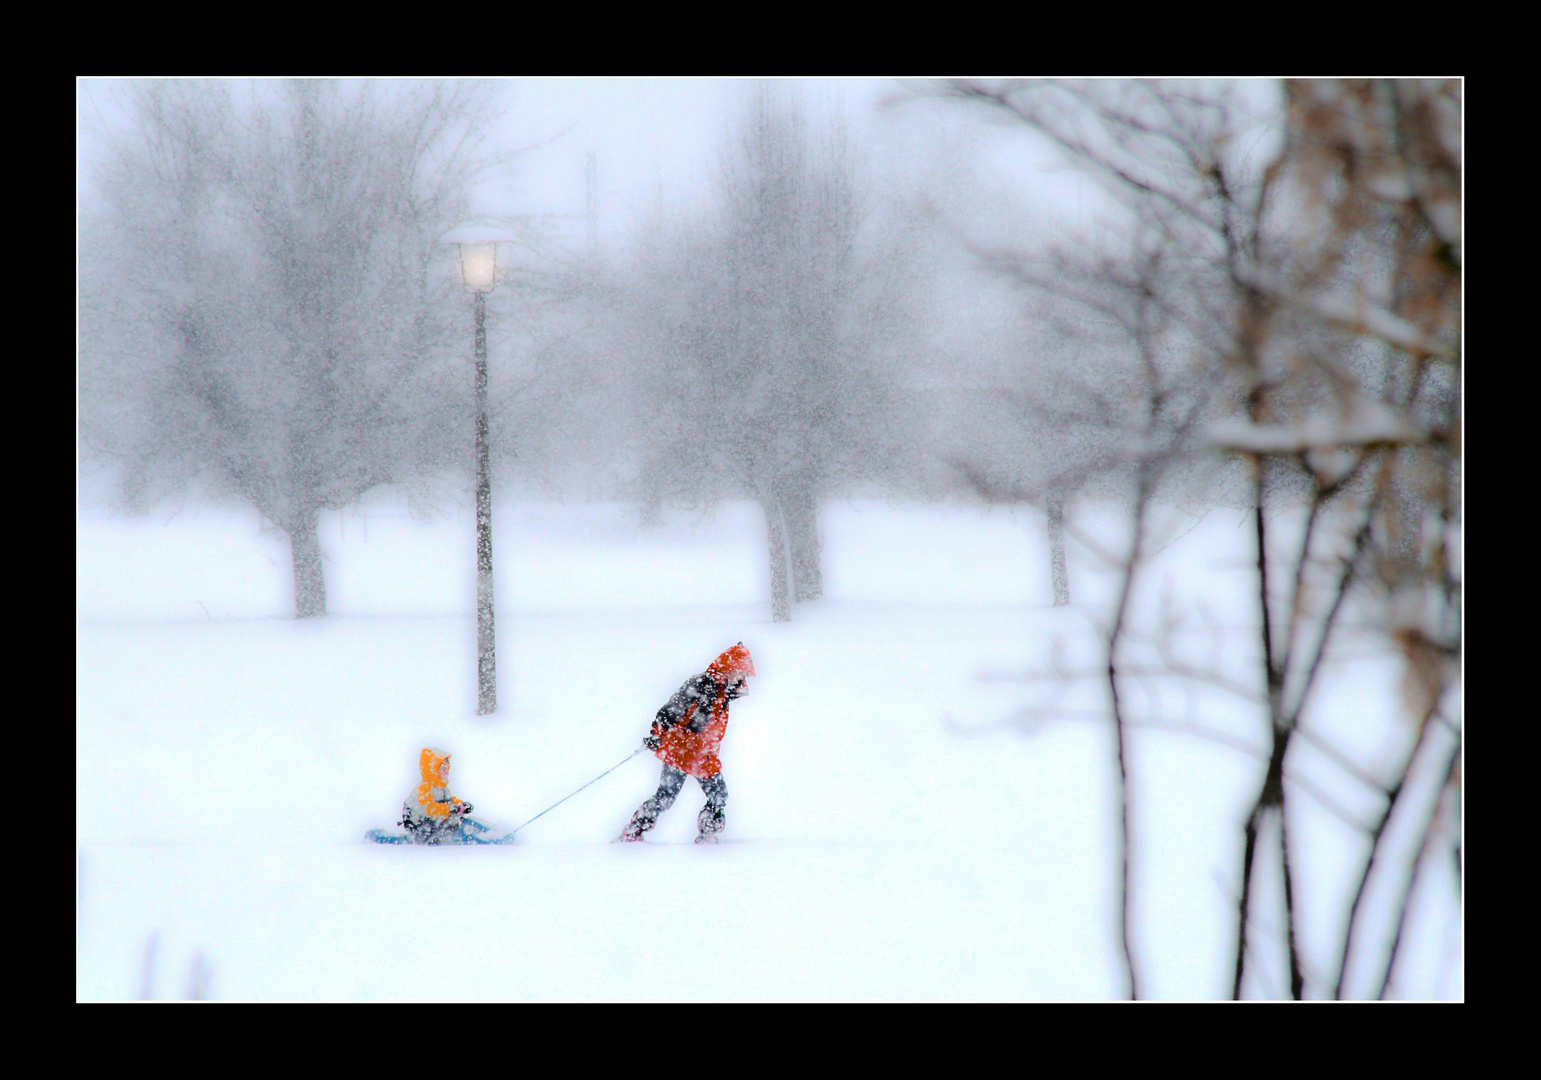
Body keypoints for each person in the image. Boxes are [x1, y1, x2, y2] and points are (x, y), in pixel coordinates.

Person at [620, 643, 754, 844]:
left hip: (703, 754)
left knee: (717, 796)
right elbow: (669, 711)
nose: (742, 678)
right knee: (666, 796)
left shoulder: (724, 691)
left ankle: (706, 836)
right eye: (740, 672)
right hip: (681, 750)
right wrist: (657, 735)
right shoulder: (702, 685)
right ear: (729, 669)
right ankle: (633, 831)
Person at [400, 747, 481, 845]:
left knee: (453, 818)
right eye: (443, 769)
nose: (446, 772)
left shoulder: (441, 787)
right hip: (419, 822)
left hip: (433, 820)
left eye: (447, 769)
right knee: (449, 819)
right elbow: (429, 809)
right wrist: (450, 809)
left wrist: (461, 804)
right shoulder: (424, 788)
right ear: (432, 770)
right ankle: (435, 841)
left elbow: (450, 800)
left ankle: (452, 836)